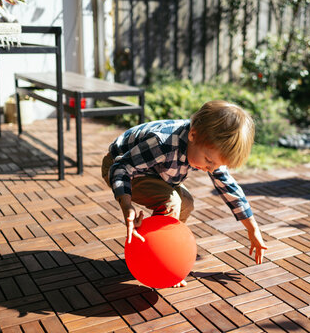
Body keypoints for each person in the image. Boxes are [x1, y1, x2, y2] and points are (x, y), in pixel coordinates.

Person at [101, 100, 268, 287]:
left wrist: (252, 229)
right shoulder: (162, 142)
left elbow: (229, 188)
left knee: (186, 202)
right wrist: (126, 204)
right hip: (119, 167)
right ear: (193, 135)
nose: (209, 169)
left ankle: (159, 252)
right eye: (208, 161)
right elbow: (121, 167)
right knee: (171, 201)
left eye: (216, 165)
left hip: (153, 171)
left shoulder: (206, 146)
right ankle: (161, 261)